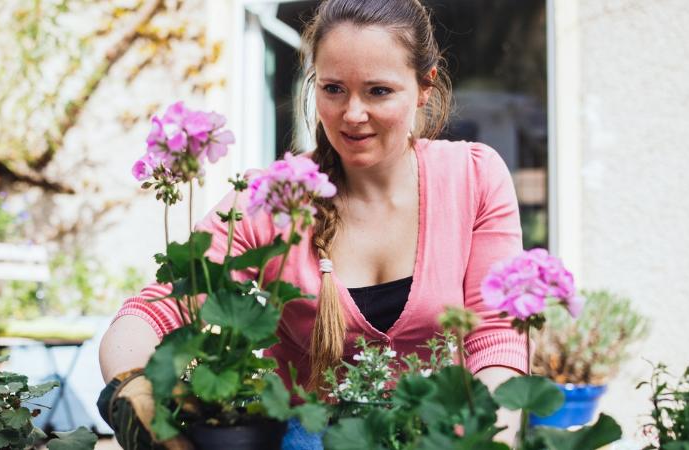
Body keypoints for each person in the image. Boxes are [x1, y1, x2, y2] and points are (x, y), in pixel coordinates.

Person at [98, 0, 526, 448]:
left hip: (438, 436)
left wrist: (486, 440)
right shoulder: (275, 197)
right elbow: (155, 308)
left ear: (424, 86)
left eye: (378, 91)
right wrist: (134, 390)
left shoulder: (473, 178)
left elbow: (497, 342)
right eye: (334, 88)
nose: (353, 114)